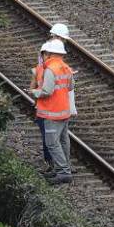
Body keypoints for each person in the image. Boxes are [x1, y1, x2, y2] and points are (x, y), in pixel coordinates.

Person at [30, 39, 77, 184]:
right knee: (64, 141)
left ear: (50, 53)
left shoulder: (50, 69)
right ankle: (64, 168)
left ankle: (63, 172)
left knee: (52, 142)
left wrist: (34, 92)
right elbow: (70, 86)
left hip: (51, 111)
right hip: (64, 110)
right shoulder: (66, 67)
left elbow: (47, 91)